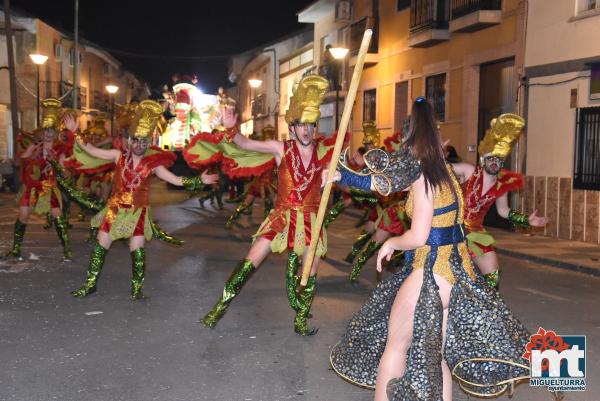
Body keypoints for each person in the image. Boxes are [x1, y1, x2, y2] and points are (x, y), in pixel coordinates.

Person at [329, 98, 530, 400]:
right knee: (438, 357)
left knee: (395, 348)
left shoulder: (424, 177)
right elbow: (384, 182)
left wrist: (391, 242)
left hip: (432, 274)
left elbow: (419, 234)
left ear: (409, 139)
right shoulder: (447, 172)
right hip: (455, 275)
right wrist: (343, 176)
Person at [188, 74, 337, 335]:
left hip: (311, 220)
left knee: (310, 269)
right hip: (281, 216)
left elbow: (329, 180)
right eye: (302, 125)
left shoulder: (323, 154)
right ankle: (219, 308)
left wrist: (332, 177)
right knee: (251, 259)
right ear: (292, 127)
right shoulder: (281, 148)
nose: (307, 130)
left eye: (311, 125)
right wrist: (230, 129)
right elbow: (245, 143)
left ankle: (301, 319)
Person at [67, 100, 217, 300]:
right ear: (130, 141)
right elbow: (92, 151)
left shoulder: (153, 165)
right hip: (114, 210)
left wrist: (199, 180)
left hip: (137, 213)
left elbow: (176, 180)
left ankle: (137, 289)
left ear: (148, 143)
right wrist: (76, 133)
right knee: (100, 247)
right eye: (136, 140)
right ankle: (90, 284)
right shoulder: (117, 156)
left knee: (137, 252)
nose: (139, 145)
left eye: (143, 141)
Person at [451, 114, 548, 290]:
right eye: (491, 158)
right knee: (451, 275)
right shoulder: (470, 171)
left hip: (475, 233)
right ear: (483, 159)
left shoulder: (501, 186)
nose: (495, 162)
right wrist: (433, 154)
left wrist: (526, 220)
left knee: (493, 276)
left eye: (498, 159)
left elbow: (503, 211)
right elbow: (443, 169)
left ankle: (487, 312)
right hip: (452, 227)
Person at [4, 98, 74, 261]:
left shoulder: (60, 149)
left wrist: (55, 163)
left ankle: (66, 249)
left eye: (51, 131)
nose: (48, 134)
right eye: (46, 130)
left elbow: (64, 172)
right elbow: (18, 162)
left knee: (58, 217)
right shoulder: (35, 146)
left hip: (50, 187)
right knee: (22, 215)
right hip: (33, 188)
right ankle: (16, 249)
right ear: (42, 131)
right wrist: (31, 157)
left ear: (56, 132)